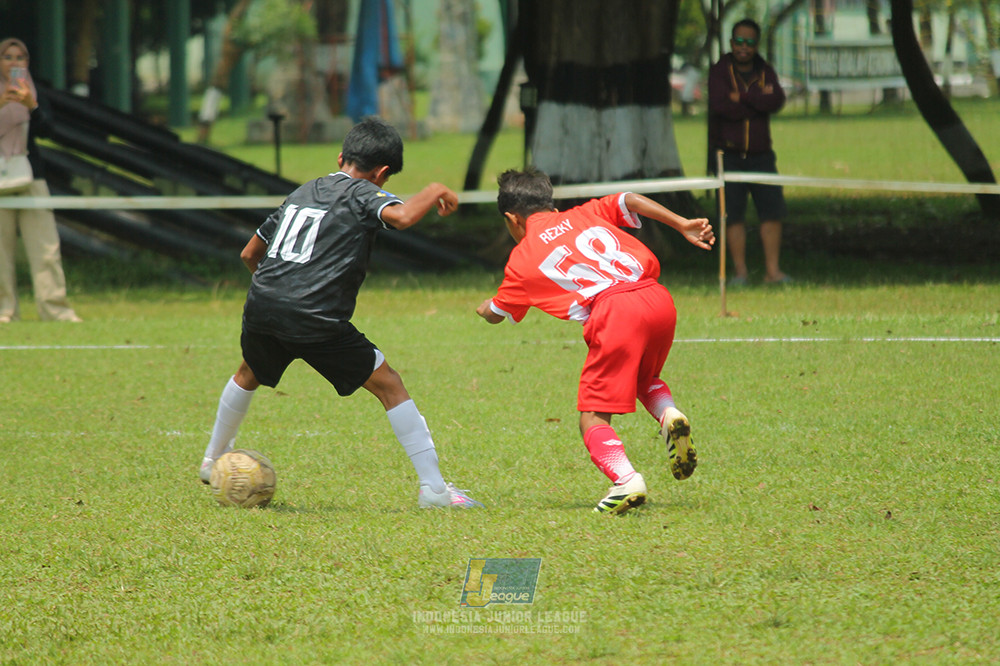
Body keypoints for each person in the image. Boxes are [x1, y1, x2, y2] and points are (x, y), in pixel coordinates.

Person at [200, 117, 482, 509]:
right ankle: (434, 491)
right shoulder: (363, 194)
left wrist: (278, 291)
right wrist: (435, 188)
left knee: (248, 372)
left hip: (262, 304)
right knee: (390, 385)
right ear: (381, 174)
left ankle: (212, 460)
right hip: (314, 316)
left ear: (341, 157)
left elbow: (250, 254)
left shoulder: (302, 192)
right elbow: (400, 218)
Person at [476, 168, 715, 515]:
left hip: (615, 313)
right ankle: (668, 414)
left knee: (592, 417)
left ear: (512, 219)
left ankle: (626, 481)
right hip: (658, 298)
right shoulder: (583, 213)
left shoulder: (522, 259)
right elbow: (629, 200)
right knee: (644, 379)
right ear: (551, 206)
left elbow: (499, 312)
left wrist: (484, 308)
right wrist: (681, 224)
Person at [0, 37, 81, 323]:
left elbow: (48, 130)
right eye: (8, 57)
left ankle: (55, 309)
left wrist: (31, 105)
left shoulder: (34, 91)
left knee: (45, 248)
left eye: (20, 58)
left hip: (31, 176)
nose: (14, 63)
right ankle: (4, 311)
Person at [708, 18, 790, 286]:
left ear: (756, 45)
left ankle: (773, 272)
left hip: (762, 155)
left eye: (750, 42)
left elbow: (776, 100)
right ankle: (740, 273)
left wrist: (741, 97)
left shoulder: (765, 70)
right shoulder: (720, 71)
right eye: (739, 41)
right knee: (732, 215)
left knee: (772, 213)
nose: (744, 47)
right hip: (730, 156)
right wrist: (757, 101)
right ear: (732, 43)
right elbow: (721, 106)